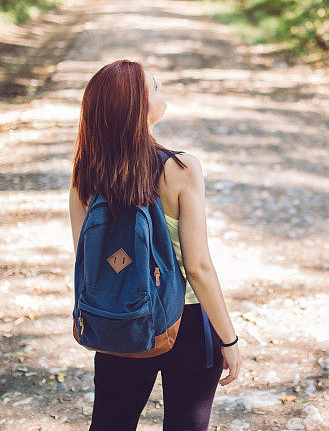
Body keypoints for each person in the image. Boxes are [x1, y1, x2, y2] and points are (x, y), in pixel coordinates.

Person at [68, 59, 242, 430]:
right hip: (189, 322)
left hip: (121, 319)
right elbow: (197, 267)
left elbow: (89, 262)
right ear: (137, 108)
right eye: (155, 87)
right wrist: (229, 338)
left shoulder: (84, 176)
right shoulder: (180, 168)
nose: (162, 88)